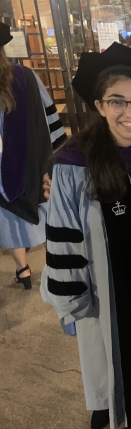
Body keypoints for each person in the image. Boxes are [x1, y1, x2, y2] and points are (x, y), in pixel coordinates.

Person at [41, 43, 131, 429]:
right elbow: (62, 241)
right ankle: (114, 405)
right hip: (105, 298)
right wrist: (72, 300)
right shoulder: (73, 166)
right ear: (99, 105)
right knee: (109, 361)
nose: (130, 112)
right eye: (117, 101)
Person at [0, 21, 65, 290]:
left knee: (6, 217)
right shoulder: (25, 77)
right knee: (44, 208)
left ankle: (23, 269)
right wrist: (58, 156)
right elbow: (49, 117)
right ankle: (58, 264)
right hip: (26, 161)